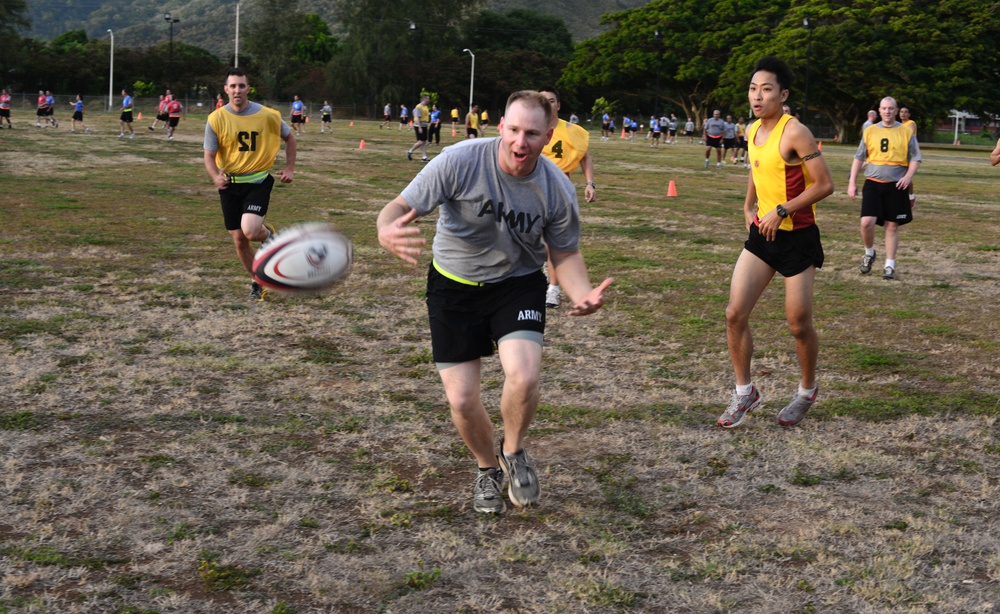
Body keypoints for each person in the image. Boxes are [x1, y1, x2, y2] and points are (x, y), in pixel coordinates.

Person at [376, 90, 613, 514]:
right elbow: (397, 206)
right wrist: (386, 229)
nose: (521, 142)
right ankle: (487, 469)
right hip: (453, 285)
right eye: (515, 130)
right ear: (500, 126)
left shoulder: (557, 188)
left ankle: (515, 451)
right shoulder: (459, 160)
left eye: (533, 134)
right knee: (462, 400)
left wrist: (581, 292)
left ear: (549, 136)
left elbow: (565, 253)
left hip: (517, 284)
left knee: (523, 376)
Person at [717, 56, 833, 429]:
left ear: (783, 95)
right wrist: (749, 204)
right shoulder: (752, 130)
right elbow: (757, 167)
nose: (757, 96)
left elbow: (823, 185)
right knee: (735, 313)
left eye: (766, 89)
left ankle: (806, 391)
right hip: (762, 235)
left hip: (797, 237)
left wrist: (781, 210)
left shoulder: (795, 131)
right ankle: (744, 392)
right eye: (753, 88)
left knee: (798, 324)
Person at [203, 68, 297, 301]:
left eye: (241, 86)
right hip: (229, 185)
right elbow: (209, 155)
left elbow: (290, 138)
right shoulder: (216, 119)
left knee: (251, 230)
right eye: (233, 86)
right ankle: (258, 281)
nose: (237, 90)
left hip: (258, 181)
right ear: (226, 89)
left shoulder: (268, 115)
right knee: (239, 240)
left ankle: (269, 234)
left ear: (248, 88)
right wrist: (215, 176)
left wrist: (290, 168)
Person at [847, 96, 921, 280]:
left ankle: (889, 265)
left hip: (896, 185)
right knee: (866, 222)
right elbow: (859, 157)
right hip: (873, 183)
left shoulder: (905, 132)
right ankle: (869, 252)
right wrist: (852, 182)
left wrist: (907, 176)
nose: (887, 111)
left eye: (891, 108)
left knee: (891, 225)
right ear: (879, 110)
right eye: (884, 108)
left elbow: (915, 158)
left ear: (896, 111)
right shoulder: (870, 131)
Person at [538, 86, 598, 309]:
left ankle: (553, 289)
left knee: (555, 241)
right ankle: (543, 269)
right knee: (535, 241)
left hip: (559, 192)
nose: (548, 104)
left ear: (558, 105)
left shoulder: (572, 130)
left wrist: (590, 183)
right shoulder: (531, 127)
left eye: (552, 100)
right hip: (530, 190)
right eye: (543, 100)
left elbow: (584, 158)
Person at [899, 107, 918, 204]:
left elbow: (909, 136)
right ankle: (908, 196)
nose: (903, 114)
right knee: (901, 174)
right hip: (900, 152)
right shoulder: (899, 125)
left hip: (908, 152)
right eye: (901, 112)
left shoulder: (911, 123)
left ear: (909, 114)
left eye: (906, 112)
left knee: (905, 175)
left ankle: (911, 196)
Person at [406, 94, 431, 162]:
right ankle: (410, 151)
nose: (429, 100)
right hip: (419, 125)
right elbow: (417, 117)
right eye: (428, 99)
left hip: (424, 125)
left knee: (423, 142)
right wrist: (419, 127)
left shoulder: (426, 107)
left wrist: (427, 125)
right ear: (424, 99)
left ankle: (424, 156)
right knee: (421, 141)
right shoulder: (418, 107)